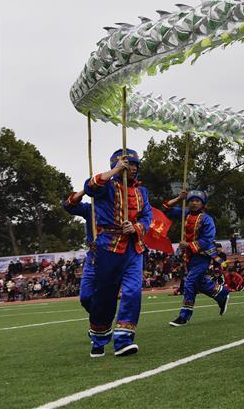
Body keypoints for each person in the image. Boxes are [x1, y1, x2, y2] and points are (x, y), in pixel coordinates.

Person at [83, 149, 152, 357]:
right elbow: (89, 187)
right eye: (127, 164)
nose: (132, 168)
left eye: (134, 165)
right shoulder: (107, 187)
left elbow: (147, 216)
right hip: (108, 246)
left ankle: (123, 340)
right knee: (104, 295)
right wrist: (113, 172)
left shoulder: (142, 192)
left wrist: (137, 227)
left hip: (133, 247)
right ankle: (99, 338)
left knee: (132, 292)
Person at [164, 190, 229, 326]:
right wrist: (178, 198)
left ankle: (184, 316)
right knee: (200, 283)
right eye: (191, 200)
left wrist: (188, 244)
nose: (194, 203)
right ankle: (221, 293)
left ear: (202, 203)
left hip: (202, 256)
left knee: (190, 282)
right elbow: (167, 209)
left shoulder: (207, 219)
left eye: (197, 201)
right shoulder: (185, 214)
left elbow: (207, 239)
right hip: (189, 257)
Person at [61, 190, 96, 312]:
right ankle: (100, 321)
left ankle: (102, 323)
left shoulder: (118, 208)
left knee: (107, 298)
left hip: (113, 256)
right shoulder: (90, 209)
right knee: (85, 297)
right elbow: (68, 206)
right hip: (93, 257)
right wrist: (86, 189)